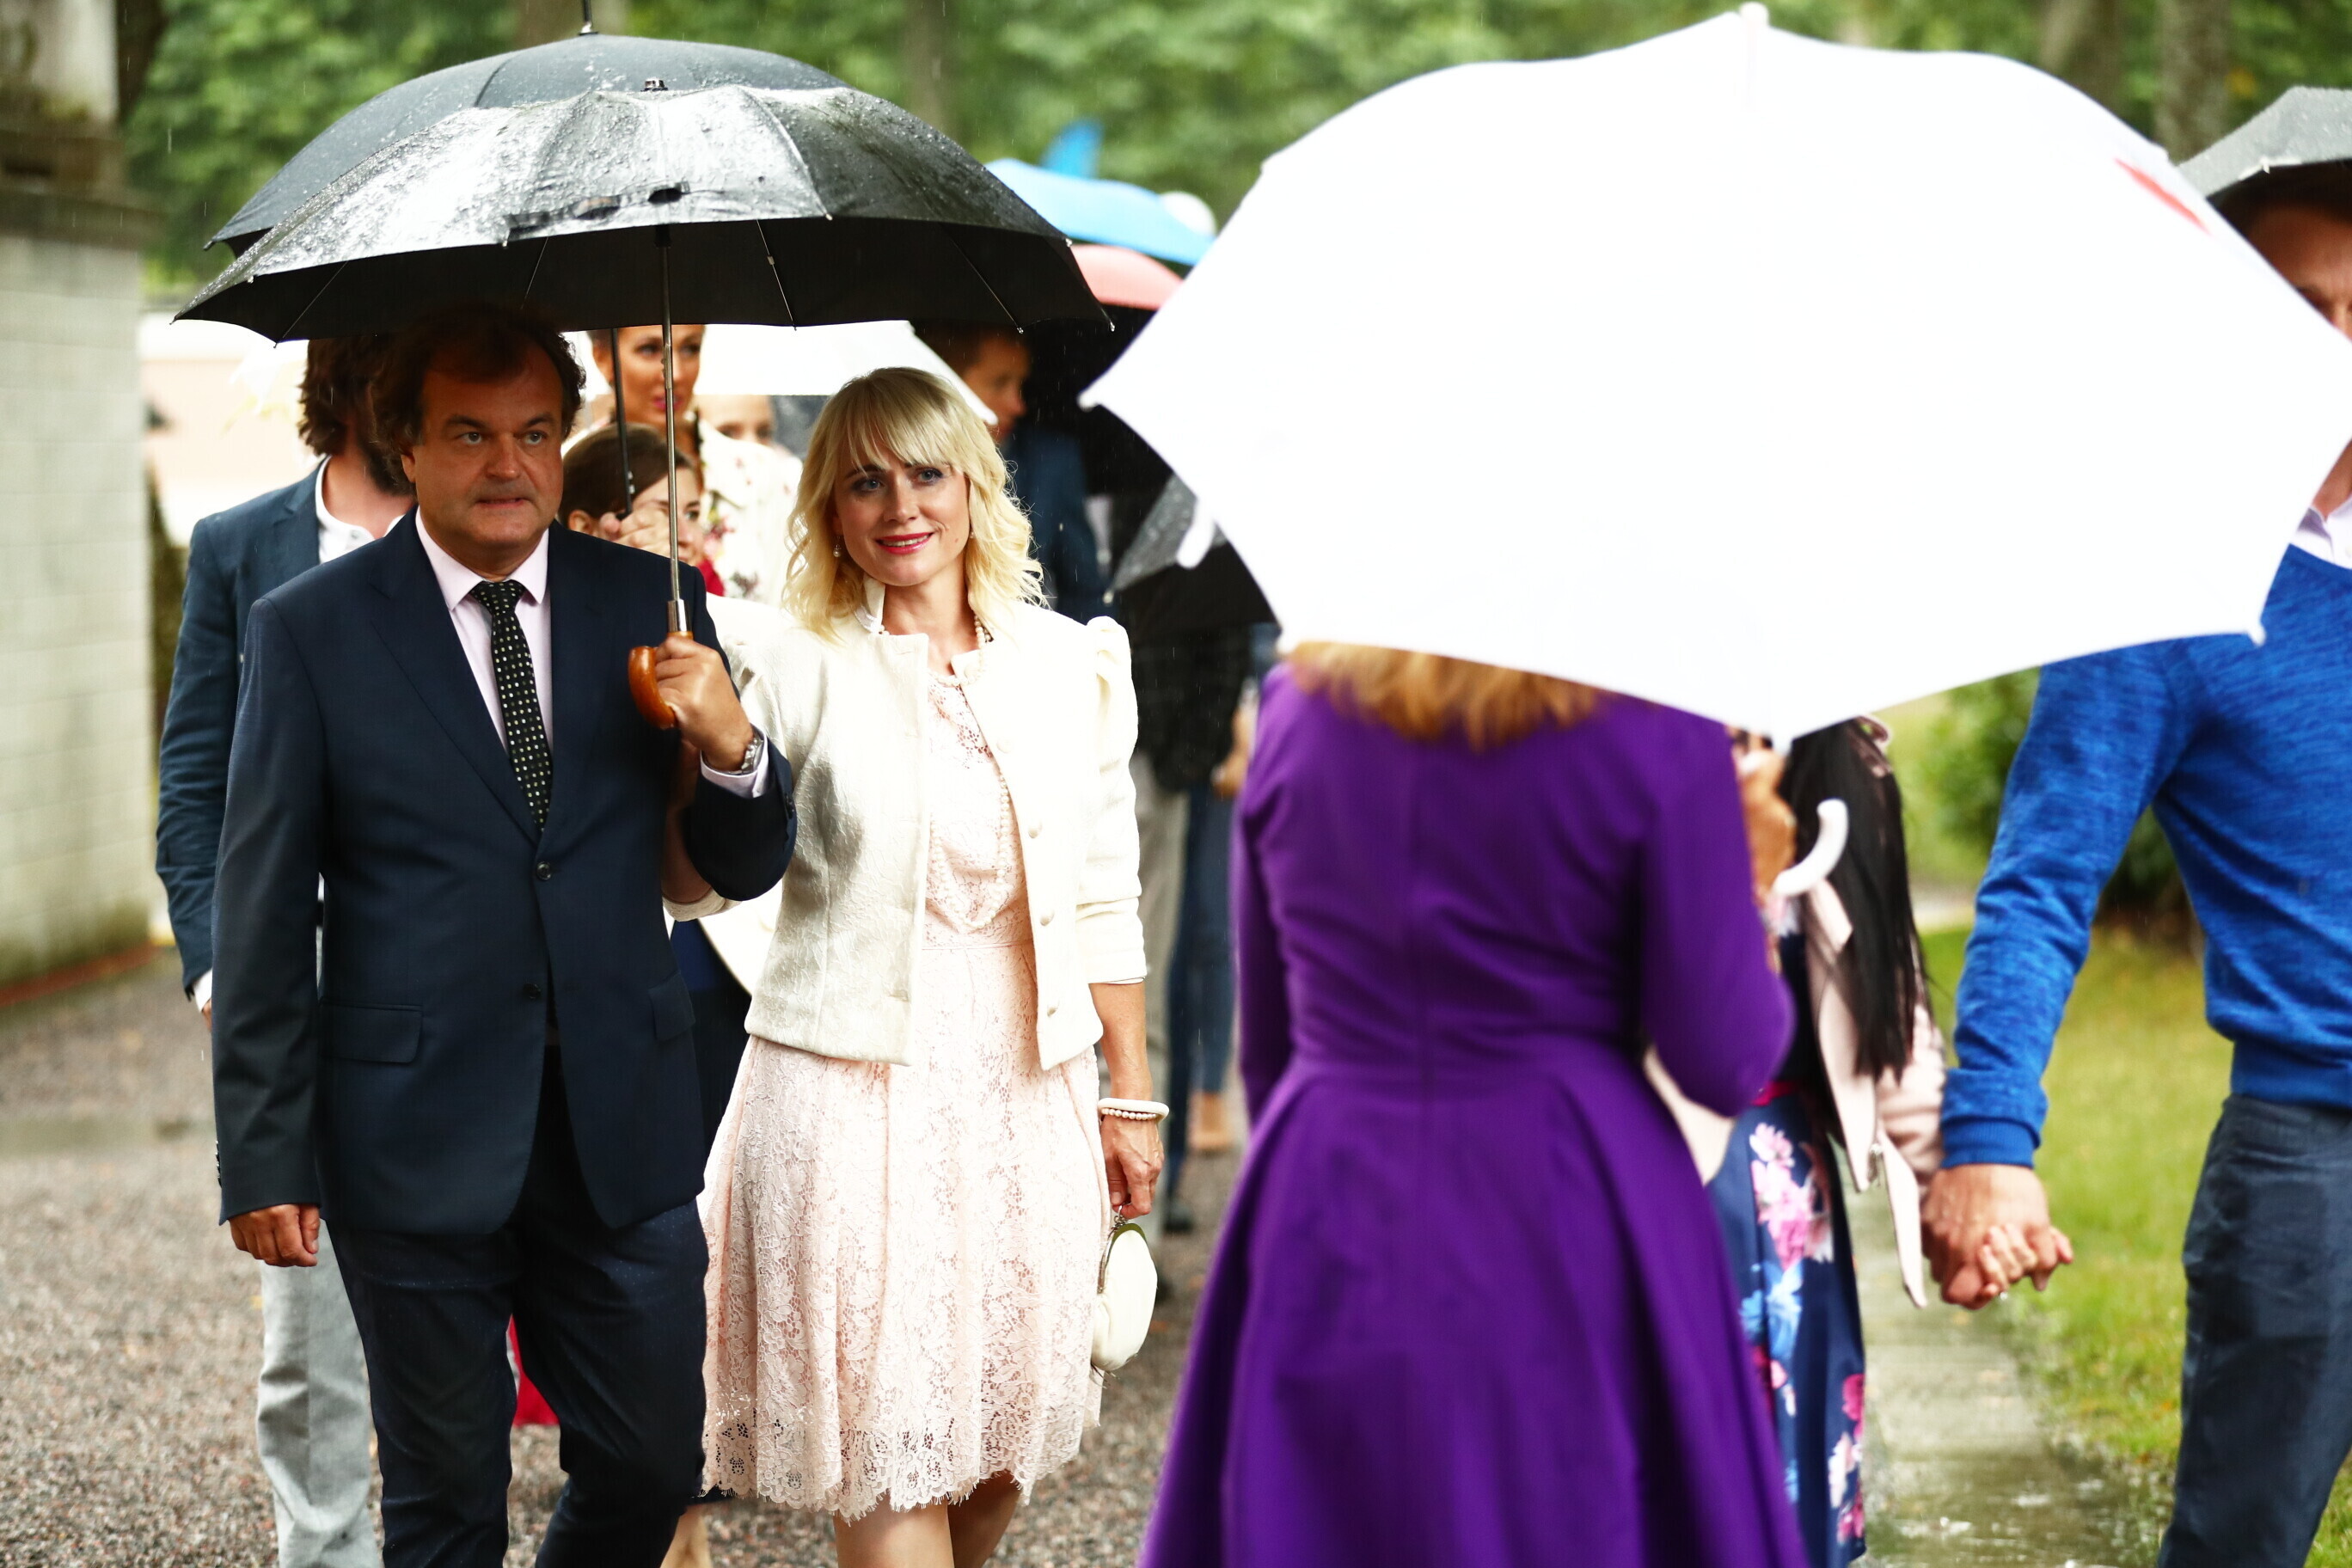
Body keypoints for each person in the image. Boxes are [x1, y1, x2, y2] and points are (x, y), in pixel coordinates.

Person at [209, 301, 796, 1568]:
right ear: (406, 445)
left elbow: (743, 865)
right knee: (446, 1500)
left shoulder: (653, 599)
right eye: (470, 434)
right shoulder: (311, 630)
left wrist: (732, 746)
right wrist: (261, 1153)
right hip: (411, 1131)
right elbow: (262, 905)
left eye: (534, 433)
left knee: (654, 1464)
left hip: (621, 1120)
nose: (508, 464)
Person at [1141, 645, 1810, 1568]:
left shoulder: (1301, 707)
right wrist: (1750, 878)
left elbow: (1269, 1042)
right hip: (1565, 1195)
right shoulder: (1653, 719)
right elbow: (1725, 1055)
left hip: (1330, 1181)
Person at [1926, 154, 2352, 1568]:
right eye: (2300, 311)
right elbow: (2042, 881)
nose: (2336, 347)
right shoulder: (2168, 588)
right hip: (2313, 1160)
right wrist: (1990, 1144)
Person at [694, 367, 1155, 1568]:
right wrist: (712, 750)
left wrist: (1131, 1097)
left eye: (925, 474)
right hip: (846, 1107)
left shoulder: (1070, 664)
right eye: (865, 482)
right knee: (891, 1457)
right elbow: (699, 887)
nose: (900, 506)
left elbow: (1105, 897)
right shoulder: (789, 664)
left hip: (1025, 1102)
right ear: (830, 510)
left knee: (996, 1464)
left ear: (974, 486)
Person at [155, 333, 409, 1568]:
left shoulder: (496, 535)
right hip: (295, 981)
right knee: (311, 1334)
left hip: (455, 972)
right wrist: (221, 967)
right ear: (350, 388)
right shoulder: (238, 547)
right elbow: (194, 782)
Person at [1668, 721, 1980, 1567]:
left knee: (1788, 1498)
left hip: (1784, 1202)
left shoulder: (1843, 766)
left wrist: (1956, 1186)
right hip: (1641, 1168)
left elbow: (1890, 1010)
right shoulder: (1607, 748)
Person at [586, 324, 801, 603]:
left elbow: (787, 610)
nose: (675, 373)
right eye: (649, 349)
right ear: (603, 357)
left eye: (690, 348)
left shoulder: (760, 473)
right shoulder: (567, 475)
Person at [916, 321, 1111, 621]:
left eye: (1019, 385)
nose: (1017, 405)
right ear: (944, 383)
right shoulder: (895, 466)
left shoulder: (1050, 461)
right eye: (999, 383)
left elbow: (1084, 590)